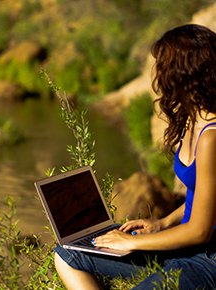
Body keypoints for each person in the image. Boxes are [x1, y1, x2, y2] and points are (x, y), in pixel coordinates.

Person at [54, 24, 216, 290]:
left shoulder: (212, 137)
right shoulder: (191, 119)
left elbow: (200, 230)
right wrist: (162, 222)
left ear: (186, 72)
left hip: (206, 259)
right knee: (68, 254)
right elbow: (199, 197)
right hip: (180, 246)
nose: (158, 73)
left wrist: (131, 243)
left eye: (163, 65)